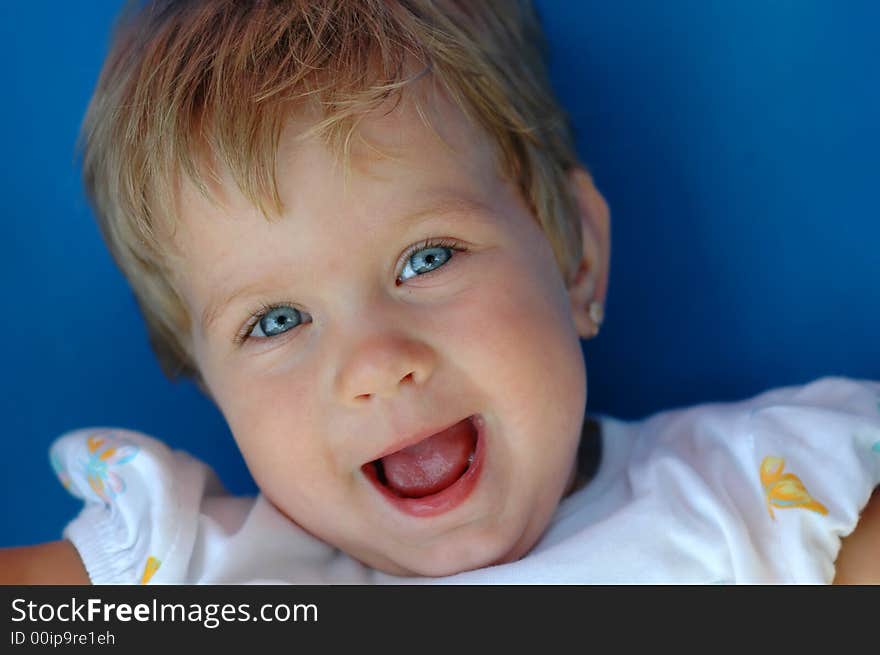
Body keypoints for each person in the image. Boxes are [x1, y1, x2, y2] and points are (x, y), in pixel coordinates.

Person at [1, 0, 878, 584]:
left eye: (427, 259)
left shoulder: (762, 494)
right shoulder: (202, 578)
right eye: (274, 320)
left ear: (576, 256)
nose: (376, 364)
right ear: (206, 384)